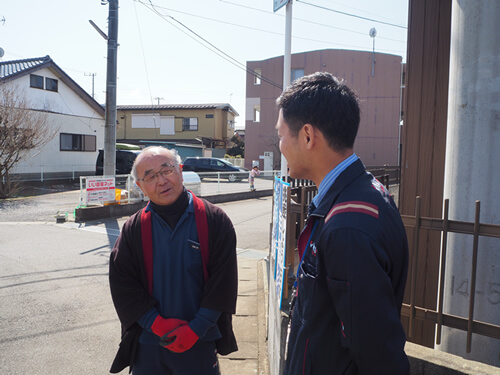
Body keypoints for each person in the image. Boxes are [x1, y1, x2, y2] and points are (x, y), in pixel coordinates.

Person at [276, 72, 409, 374]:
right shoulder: (361, 192)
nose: (279, 145)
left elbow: (378, 354)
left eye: (281, 134)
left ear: (308, 136)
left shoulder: (347, 226)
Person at [108, 146, 238, 375]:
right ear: (140, 186)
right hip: (148, 343)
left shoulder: (214, 220)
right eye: (150, 176)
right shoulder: (134, 229)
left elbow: (223, 283)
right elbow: (123, 284)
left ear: (180, 170)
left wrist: (196, 329)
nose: (161, 181)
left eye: (166, 170)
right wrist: (156, 324)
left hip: (200, 339)